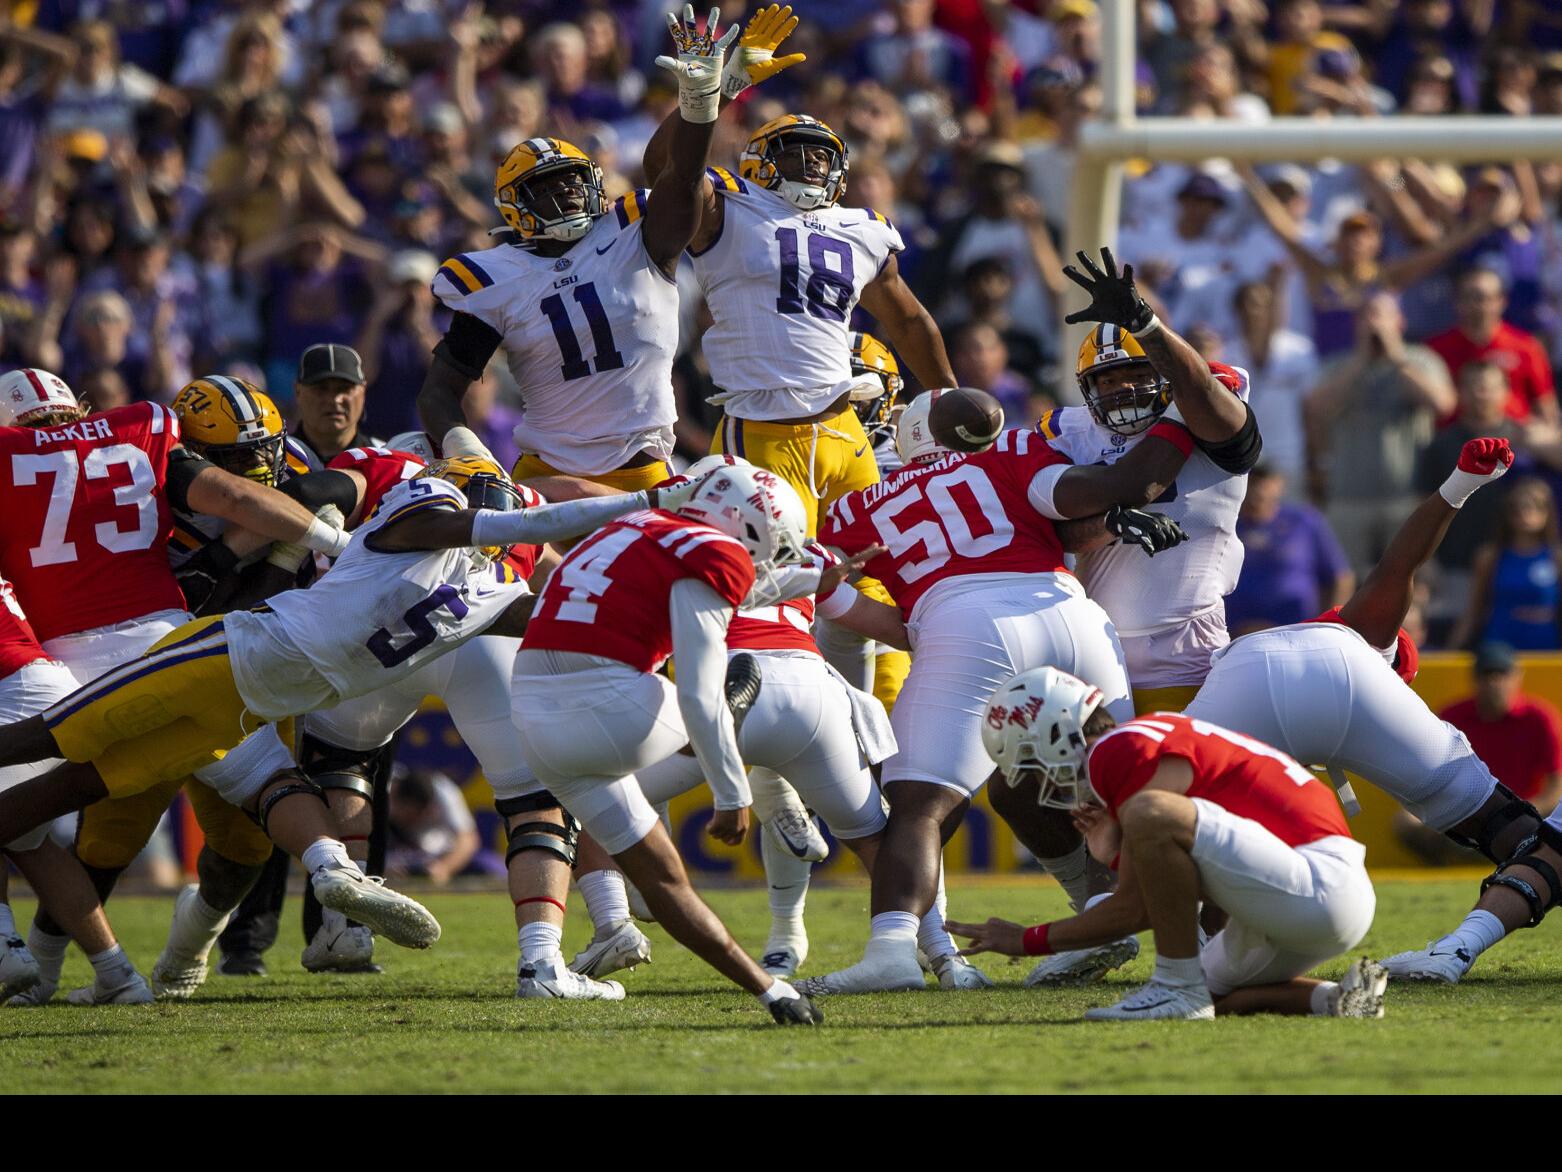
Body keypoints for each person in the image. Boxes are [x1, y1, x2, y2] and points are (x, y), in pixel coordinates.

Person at [0, 455, 705, 956]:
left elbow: (562, 605)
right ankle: (320, 877)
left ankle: (317, 881)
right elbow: (545, 589)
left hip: (236, 661)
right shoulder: (436, 537)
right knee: (68, 760)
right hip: (256, 692)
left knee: (63, 747)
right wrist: (644, 516)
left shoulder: (476, 569)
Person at [792, 391, 1189, 995]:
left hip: (965, 620)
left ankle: (892, 951)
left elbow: (817, 579)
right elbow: (1070, 500)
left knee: (921, 805)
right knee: (1116, 784)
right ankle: (1181, 936)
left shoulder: (861, 503)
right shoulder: (1013, 449)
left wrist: (898, 627)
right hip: (1071, 614)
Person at [0, 367, 358, 1003]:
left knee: (61, 823)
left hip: (80, 669)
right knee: (260, 777)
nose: (252, 464)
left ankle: (79, 963)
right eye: (227, 456)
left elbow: (307, 487)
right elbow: (257, 500)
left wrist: (237, 557)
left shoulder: (17, 460)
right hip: (183, 649)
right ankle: (336, 869)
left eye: (258, 452)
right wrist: (334, 542)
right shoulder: (142, 437)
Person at [1009, 247, 1258, 986]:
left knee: (1179, 823)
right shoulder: (1065, 434)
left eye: (1134, 373)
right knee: (1018, 784)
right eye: (1106, 378)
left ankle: (1225, 946)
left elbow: (1220, 415)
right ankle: (1095, 921)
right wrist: (1114, 517)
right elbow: (1045, 527)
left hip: (1191, 662)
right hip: (1095, 662)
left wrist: (1147, 326)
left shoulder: (1207, 404)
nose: (1120, 388)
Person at [511, 461, 829, 1023]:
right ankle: (770, 788)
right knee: (737, 680)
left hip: (535, 721)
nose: (764, 558)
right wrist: (733, 797)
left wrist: (809, 578)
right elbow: (699, 695)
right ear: (746, 522)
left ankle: (772, 992)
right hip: (609, 705)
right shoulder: (715, 550)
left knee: (665, 881)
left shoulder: (632, 529)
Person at [418, 6, 771, 497]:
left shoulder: (635, 234)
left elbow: (683, 176)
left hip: (645, 471)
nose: (566, 196)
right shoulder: (496, 274)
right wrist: (470, 452)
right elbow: (439, 391)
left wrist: (703, 101)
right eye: (547, 188)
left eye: (573, 184)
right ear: (514, 207)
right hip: (546, 477)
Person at [949, 668, 1386, 1021]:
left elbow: (1135, 908)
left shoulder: (1113, 751)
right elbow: (1170, 886)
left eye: (1032, 763)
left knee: (1150, 815)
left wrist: (1027, 939)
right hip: (1305, 897)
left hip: (1314, 883)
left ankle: (1175, 987)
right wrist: (1114, 853)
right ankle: (1336, 999)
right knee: (1217, 997)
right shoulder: (1150, 735)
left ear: (1056, 738)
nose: (1041, 781)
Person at [1224, 466, 1354, 635]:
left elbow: (1341, 577)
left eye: (1264, 482)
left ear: (1280, 484)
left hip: (1298, 634)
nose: (1257, 489)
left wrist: (1330, 629)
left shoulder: (1304, 521)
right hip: (1234, 637)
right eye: (1250, 481)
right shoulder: (1223, 525)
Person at [1439, 642, 1562, 816]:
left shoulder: (1540, 718)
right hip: (1466, 814)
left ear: (1518, 676)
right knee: (1406, 825)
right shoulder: (1452, 717)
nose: (1494, 682)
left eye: (1502, 674)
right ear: (1475, 679)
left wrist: (1523, 813)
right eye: (1487, 674)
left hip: (1526, 814)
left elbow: (1557, 783)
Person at [1428, 268, 1558, 425]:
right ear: (1457, 301)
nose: (1478, 305)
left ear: (1502, 301)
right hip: (1456, 442)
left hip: (1513, 440)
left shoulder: (1526, 347)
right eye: (1470, 297)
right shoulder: (1436, 350)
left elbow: (1545, 406)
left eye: (1485, 298)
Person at [1449, 476, 1562, 651]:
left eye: (1535, 505)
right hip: (1500, 646)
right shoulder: (1489, 556)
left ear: (1548, 512)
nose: (1525, 512)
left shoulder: (1557, 557)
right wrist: (1451, 651)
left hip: (1545, 645)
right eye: (1517, 507)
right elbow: (1474, 610)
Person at [292, 342, 379, 467]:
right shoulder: (273, 460)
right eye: (321, 389)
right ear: (297, 391)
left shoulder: (385, 460)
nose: (334, 399)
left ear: (363, 391)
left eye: (344, 388)